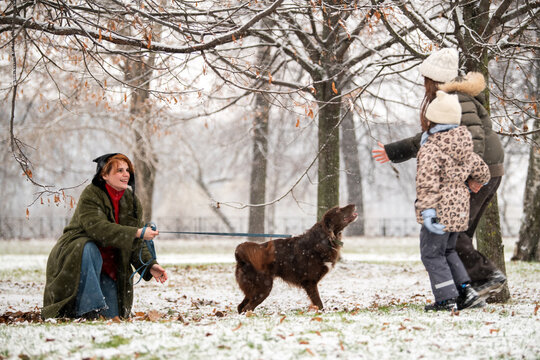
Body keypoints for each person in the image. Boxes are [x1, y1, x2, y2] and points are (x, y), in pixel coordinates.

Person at [372, 48, 506, 299]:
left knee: (450, 234)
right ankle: (467, 291)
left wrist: (471, 178)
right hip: (483, 170)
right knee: (456, 233)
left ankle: (484, 277)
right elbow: (432, 141)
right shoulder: (450, 101)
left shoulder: (456, 100)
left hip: (480, 171)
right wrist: (393, 151)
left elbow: (471, 142)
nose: (424, 85)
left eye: (426, 79)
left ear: (435, 79)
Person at [42, 153, 168, 319]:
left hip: (110, 267)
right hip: (77, 257)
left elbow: (136, 243)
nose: (126, 174)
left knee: (112, 316)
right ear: (104, 175)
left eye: (127, 170)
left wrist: (150, 265)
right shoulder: (91, 194)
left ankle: (93, 309)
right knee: (88, 247)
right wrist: (136, 232)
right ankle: (88, 310)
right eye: (119, 170)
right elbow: (98, 229)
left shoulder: (132, 201)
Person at [416, 90, 491, 311]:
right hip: (459, 209)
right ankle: (466, 293)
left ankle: (446, 299)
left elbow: (427, 182)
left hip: (438, 209)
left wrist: (428, 211)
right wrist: (467, 185)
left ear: (432, 119)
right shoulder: (465, 145)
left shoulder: (431, 147)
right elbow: (484, 173)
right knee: (448, 251)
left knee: (431, 254)